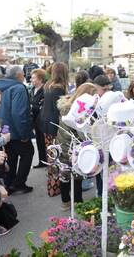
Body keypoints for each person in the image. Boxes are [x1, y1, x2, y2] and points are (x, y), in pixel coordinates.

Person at [56, 83, 97, 211]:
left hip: (62, 143)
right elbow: (81, 130)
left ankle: (65, 201)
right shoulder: (79, 109)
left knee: (64, 175)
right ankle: (78, 202)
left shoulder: (66, 105)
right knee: (77, 175)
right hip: (73, 145)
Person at [0, 66, 34, 194]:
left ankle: (9, 183)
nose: (25, 77)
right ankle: (18, 183)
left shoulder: (0, 85)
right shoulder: (19, 87)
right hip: (16, 131)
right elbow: (19, 113)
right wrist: (24, 134)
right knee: (28, 152)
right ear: (19, 75)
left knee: (11, 156)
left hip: (3, 129)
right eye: (23, 74)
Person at [40, 62, 69, 197]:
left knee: (51, 156)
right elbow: (60, 109)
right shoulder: (59, 88)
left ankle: (52, 187)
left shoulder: (48, 86)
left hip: (45, 124)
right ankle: (54, 188)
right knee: (56, 157)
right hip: (54, 126)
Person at [29, 69, 47, 169]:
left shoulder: (45, 90)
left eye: (34, 77)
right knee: (39, 141)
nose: (31, 79)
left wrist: (31, 106)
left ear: (40, 79)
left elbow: (42, 106)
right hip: (34, 120)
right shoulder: (32, 89)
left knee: (43, 142)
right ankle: (42, 161)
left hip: (42, 120)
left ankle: (44, 161)